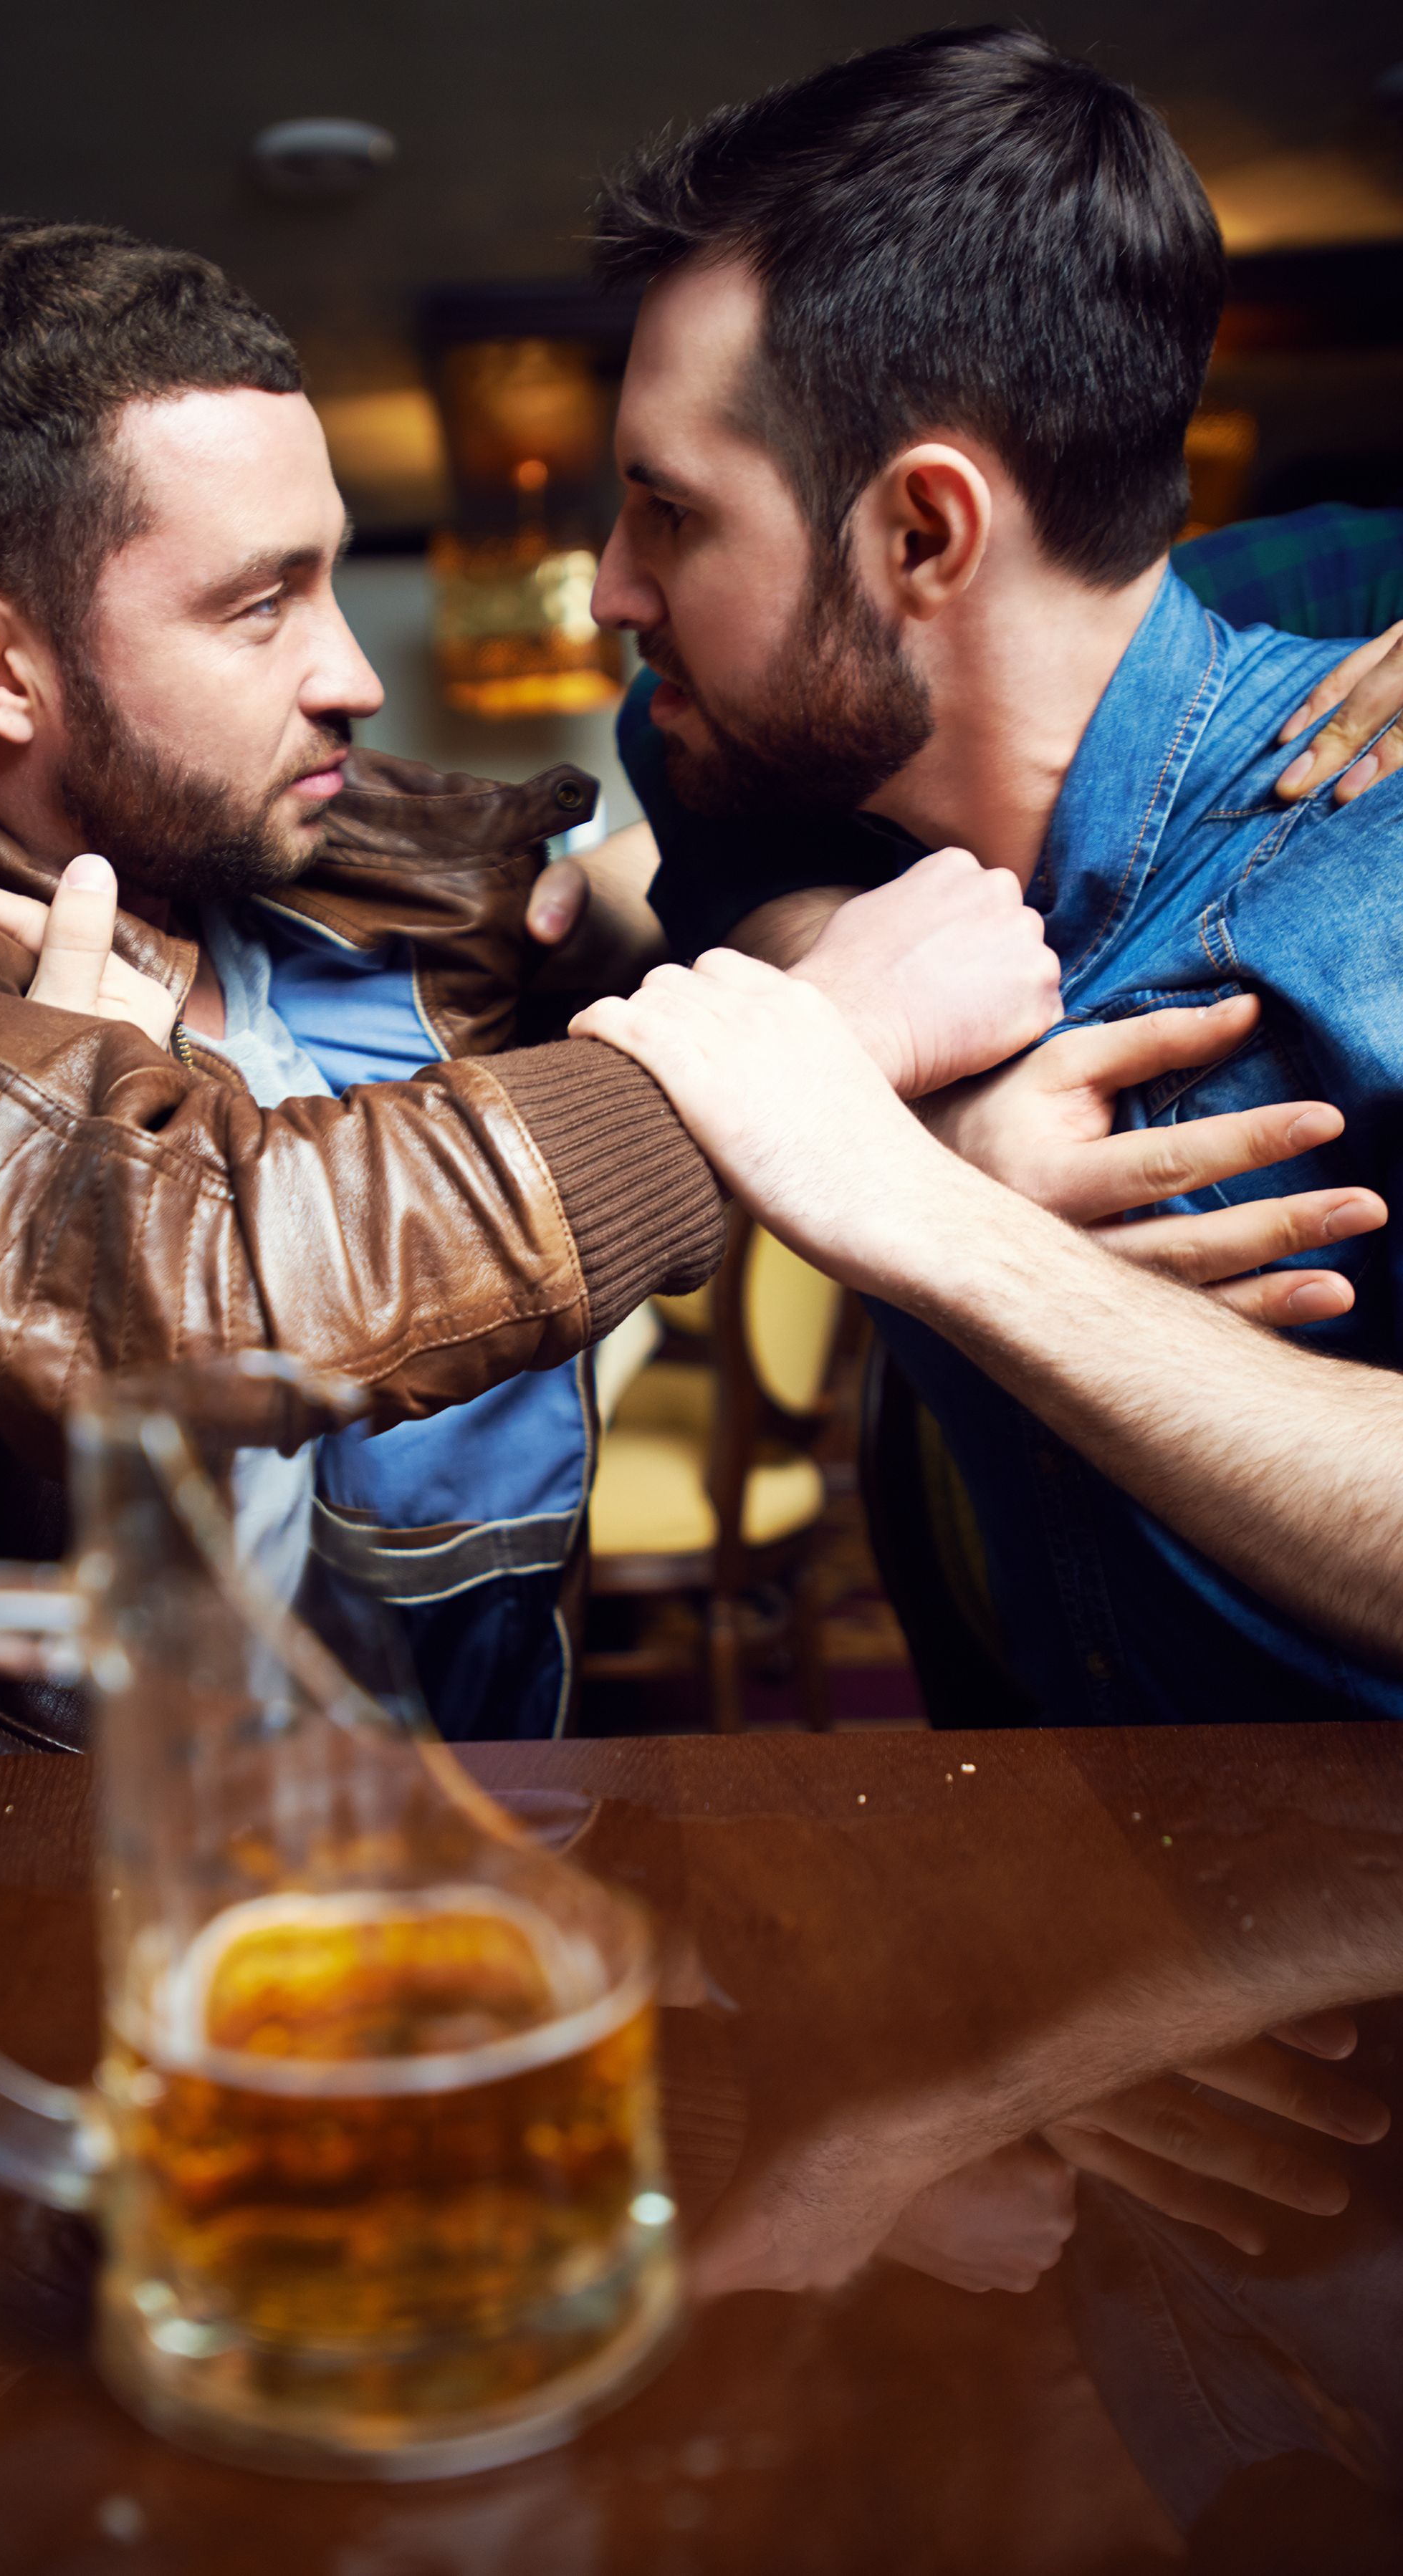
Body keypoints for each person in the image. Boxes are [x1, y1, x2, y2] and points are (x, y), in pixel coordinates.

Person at [0, 213, 1073, 1759]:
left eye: (332, 579)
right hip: (2, 1901)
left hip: (417, 1792)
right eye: (260, 601)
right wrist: (804, 1054)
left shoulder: (277, 830)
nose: (355, 671)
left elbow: (757, 766)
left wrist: (1357, 613)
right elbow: (197, 1278)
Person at [571, 23, 1403, 1723]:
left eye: (672, 513)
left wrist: (921, 1210)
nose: (609, 593)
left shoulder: (1369, 879)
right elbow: (666, 804)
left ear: (926, 535)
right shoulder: (817, 809)